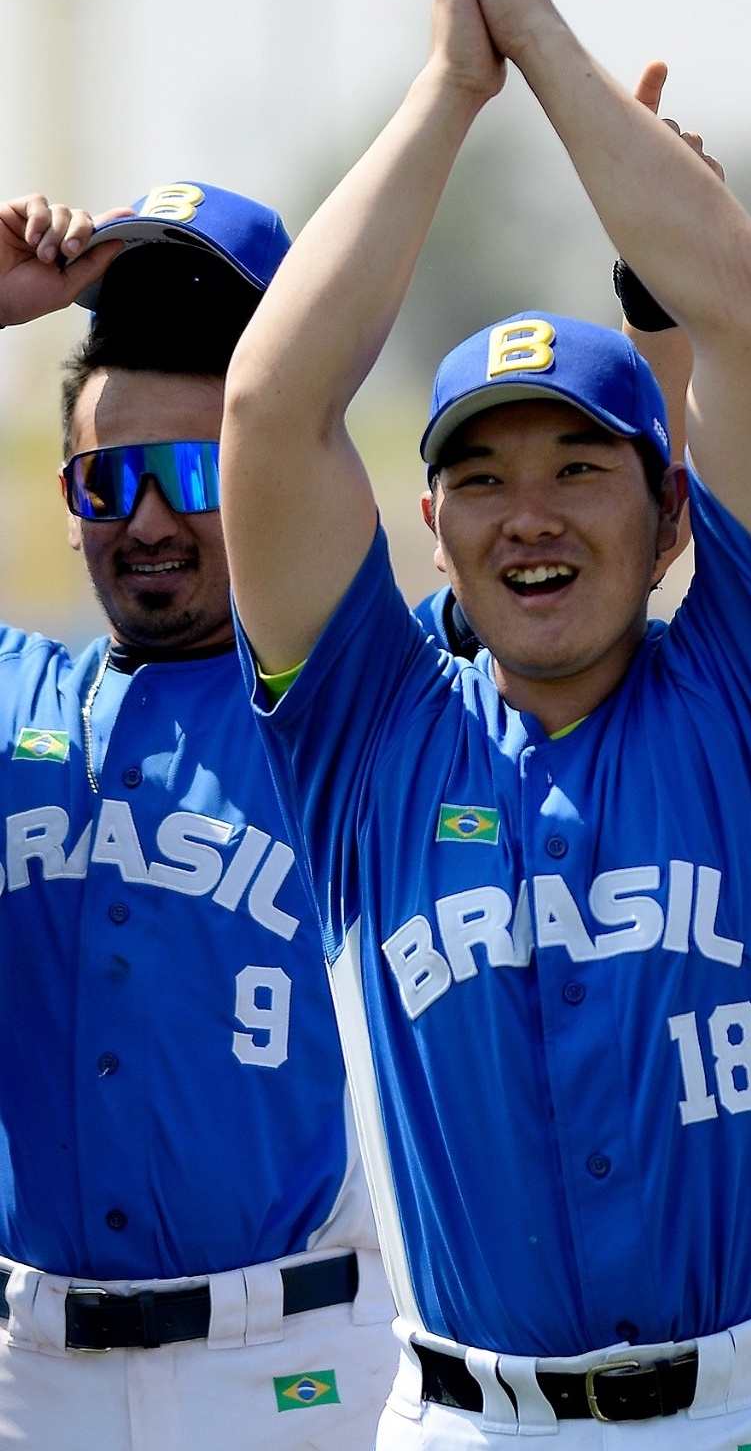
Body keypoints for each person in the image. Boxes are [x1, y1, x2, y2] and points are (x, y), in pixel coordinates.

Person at [219, 0, 751, 1451]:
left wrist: (537, 39)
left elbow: (746, 319)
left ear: (672, 515)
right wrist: (448, 91)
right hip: (476, 1421)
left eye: (579, 466)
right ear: (430, 531)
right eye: (481, 475)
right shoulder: (370, 733)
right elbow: (270, 400)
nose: (531, 511)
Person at [0, 186, 398, 1448]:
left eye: (192, 472)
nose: (150, 519)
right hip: (34, 1381)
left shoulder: (370, 706)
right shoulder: (18, 703)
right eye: (107, 482)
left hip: (300, 1375)